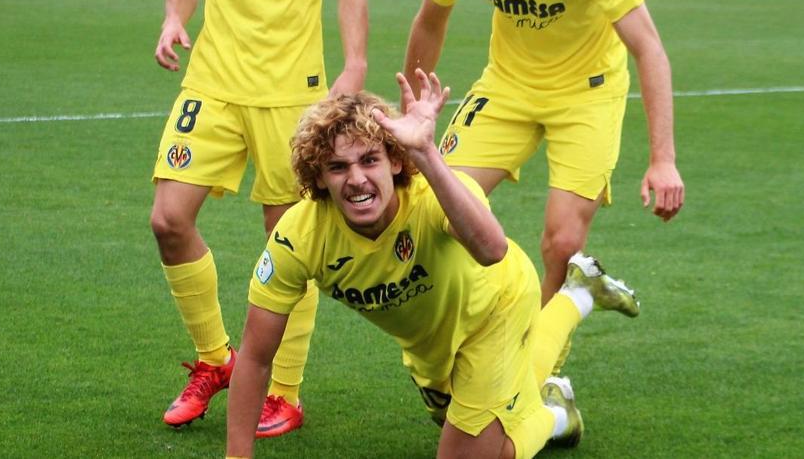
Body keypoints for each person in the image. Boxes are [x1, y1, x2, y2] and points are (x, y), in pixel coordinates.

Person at [226, 71, 641, 458]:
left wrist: (425, 151)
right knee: (473, 426)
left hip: (495, 308)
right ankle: (576, 300)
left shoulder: (435, 193)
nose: (356, 179)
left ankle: (551, 416)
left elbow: (491, 249)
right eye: (338, 167)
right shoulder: (298, 237)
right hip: (430, 339)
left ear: (394, 160)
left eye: (369, 160)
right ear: (318, 178)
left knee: (479, 453)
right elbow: (257, 357)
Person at [149, 0, 368, 438]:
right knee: (168, 218)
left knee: (288, 242)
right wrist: (171, 17)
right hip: (212, 78)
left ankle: (285, 390)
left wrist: (353, 68)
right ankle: (217, 360)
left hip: (291, 93)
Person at [404, 0, 684, 316]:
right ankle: (494, 320)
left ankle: (543, 362)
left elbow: (648, 46)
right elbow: (431, 20)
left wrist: (663, 159)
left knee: (562, 242)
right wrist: (408, 117)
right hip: (507, 85)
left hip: (587, 94)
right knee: (436, 210)